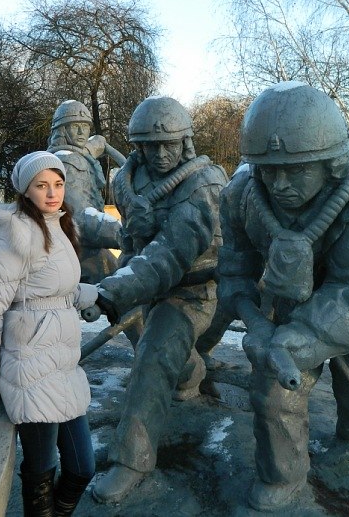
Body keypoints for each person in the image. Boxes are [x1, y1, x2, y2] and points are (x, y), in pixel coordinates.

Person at [216, 82, 349, 511]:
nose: (281, 184)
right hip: (286, 306)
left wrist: (297, 339)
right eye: (270, 171)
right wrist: (256, 322)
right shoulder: (240, 195)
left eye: (298, 170)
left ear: (333, 163)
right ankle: (281, 475)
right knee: (273, 389)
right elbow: (235, 270)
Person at [91, 96, 228, 503]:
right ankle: (190, 373)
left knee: (151, 358)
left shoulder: (205, 186)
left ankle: (131, 460)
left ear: (186, 143)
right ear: (138, 147)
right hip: (144, 280)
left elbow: (169, 253)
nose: (162, 154)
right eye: (152, 145)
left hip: (193, 289)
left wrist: (112, 292)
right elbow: (136, 242)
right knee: (158, 348)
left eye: (171, 144)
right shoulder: (127, 181)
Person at [0, 151, 100, 517]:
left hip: (63, 364)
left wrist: (94, 295)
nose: (52, 193)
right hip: (30, 367)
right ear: (27, 190)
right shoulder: (15, 234)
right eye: (42, 186)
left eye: (58, 184)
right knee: (41, 470)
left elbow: (56, 289)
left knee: (83, 467)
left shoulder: (60, 225)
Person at [46, 100, 123, 284]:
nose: (82, 133)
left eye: (85, 126)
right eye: (74, 126)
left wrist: (89, 150)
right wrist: (122, 233)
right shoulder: (70, 162)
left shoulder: (64, 158)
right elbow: (80, 217)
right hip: (80, 255)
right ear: (62, 130)